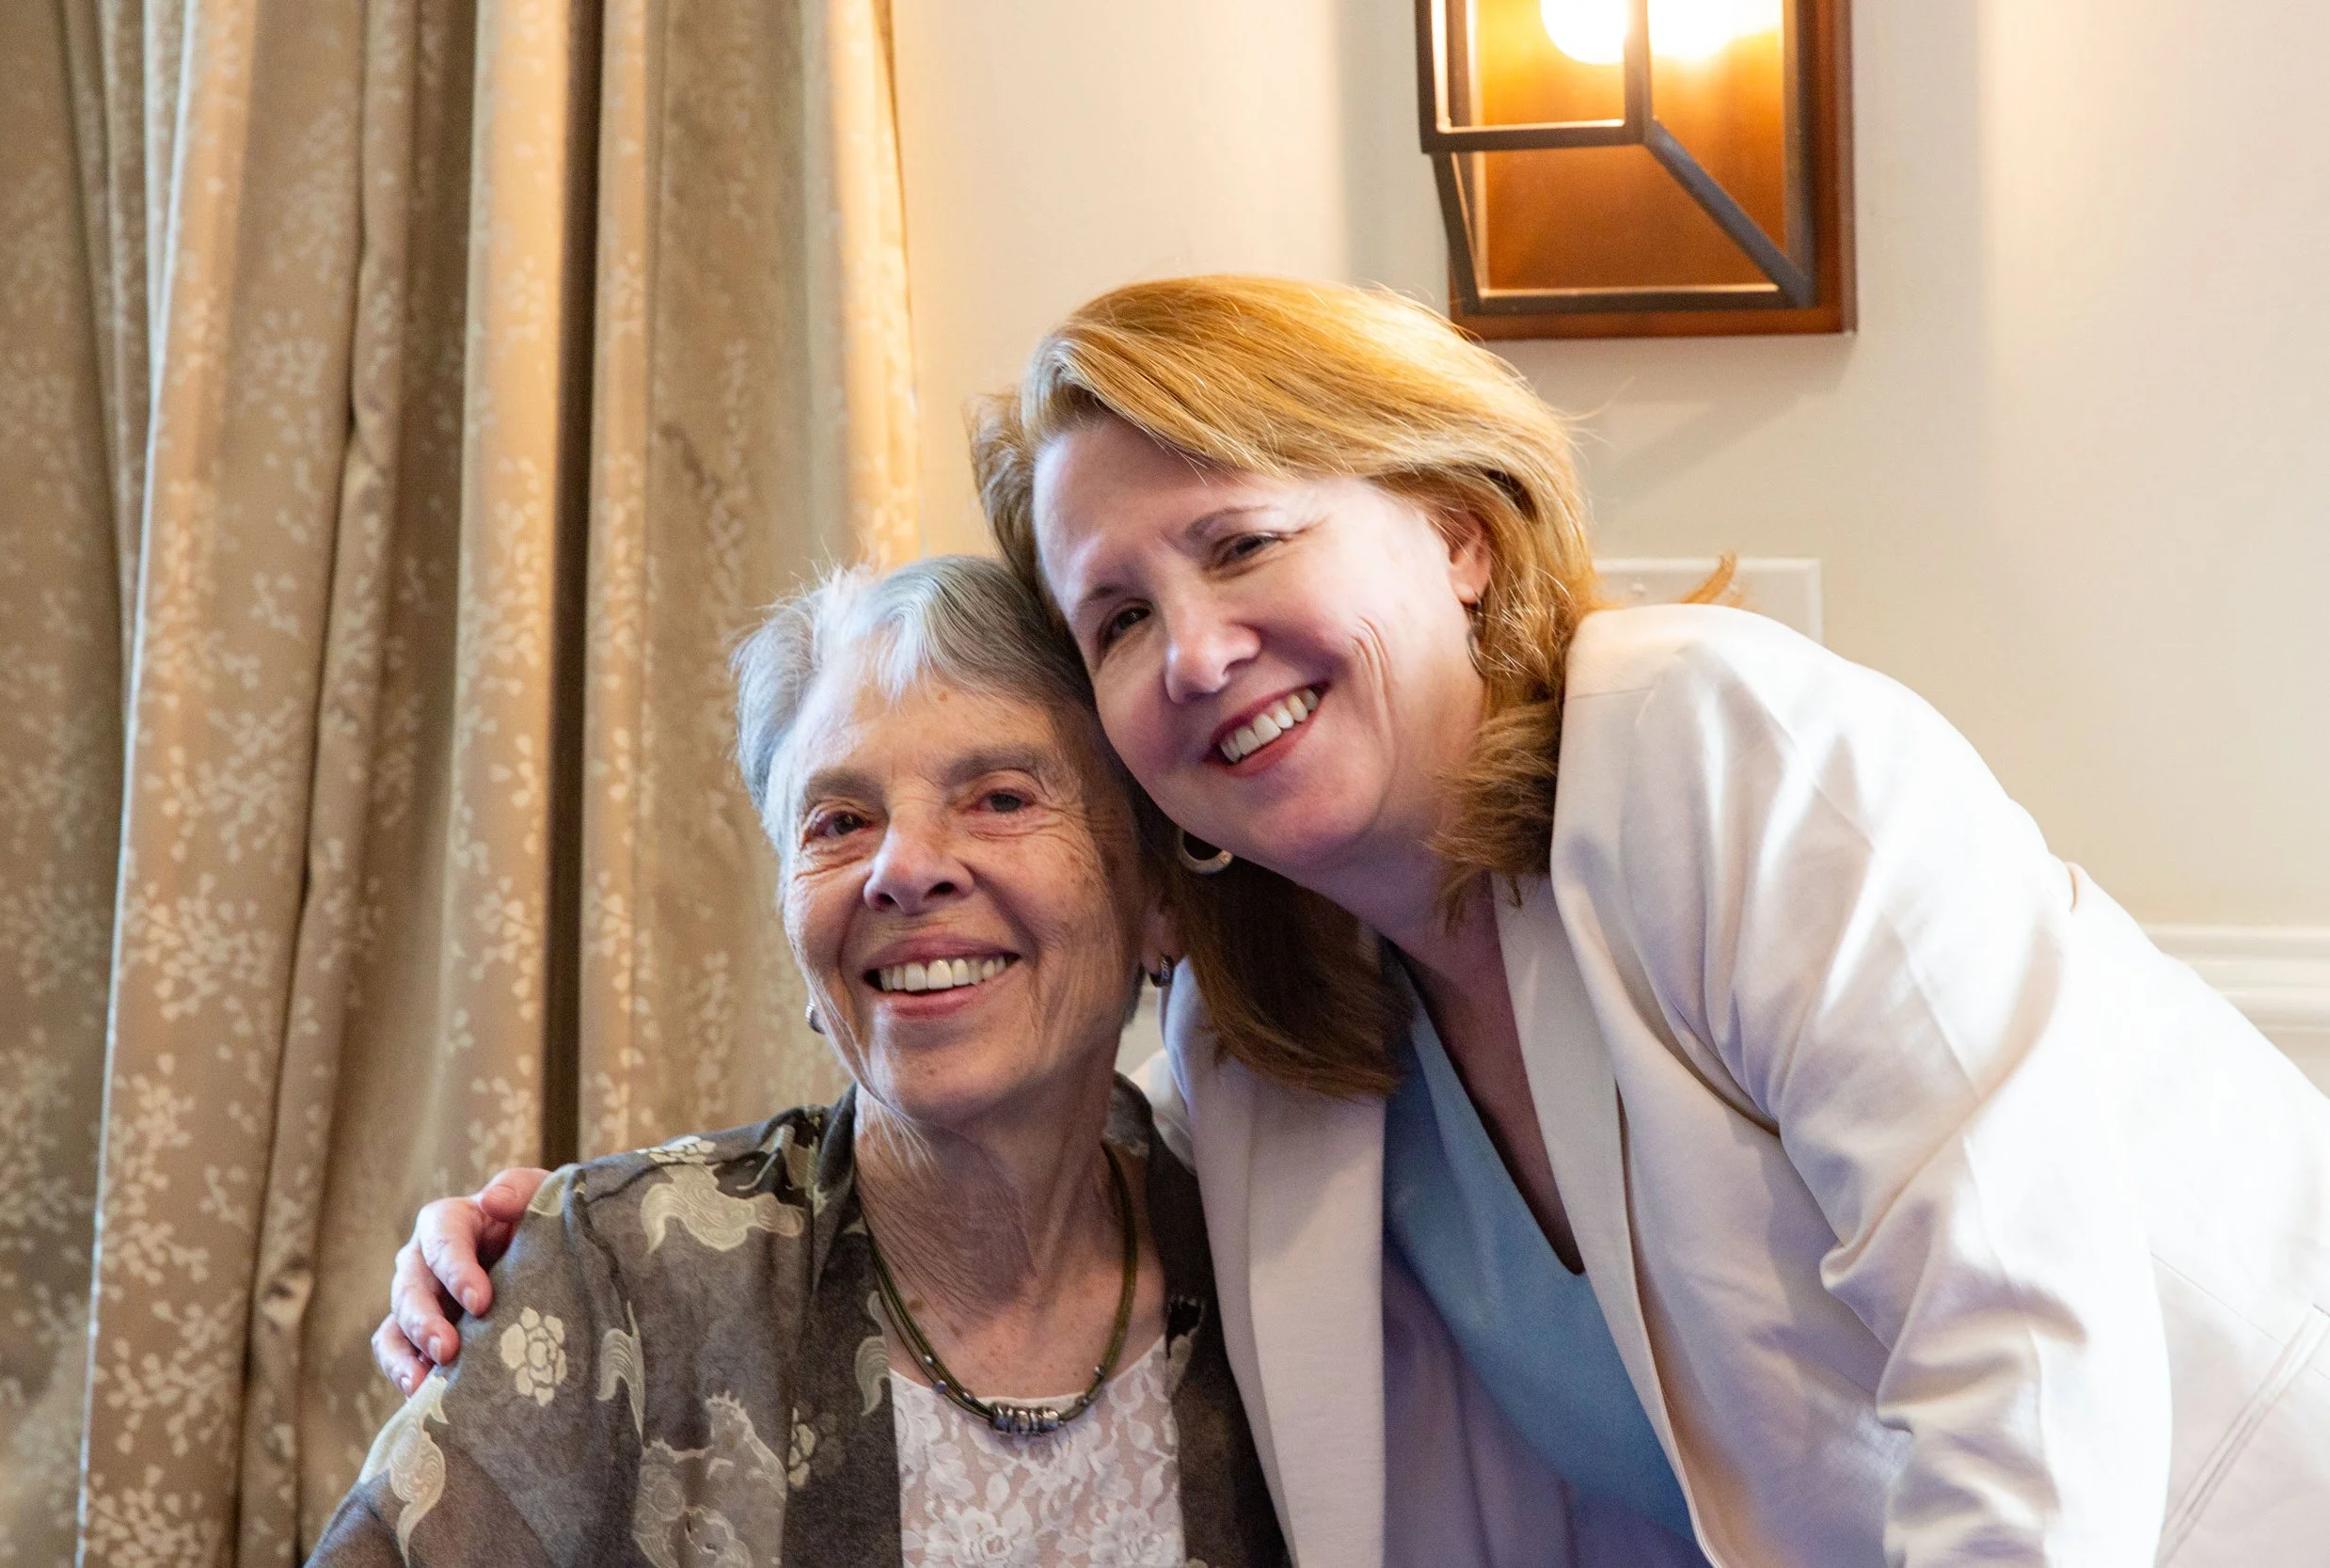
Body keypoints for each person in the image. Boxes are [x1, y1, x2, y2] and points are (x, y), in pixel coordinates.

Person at [386, 277, 2330, 1568]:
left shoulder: (1707, 740)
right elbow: (995, 1097)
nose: (1193, 648)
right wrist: (568, 1248)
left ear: (1456, 529)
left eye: (1241, 541)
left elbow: (2022, 1353)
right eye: (1119, 615)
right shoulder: (1282, 1022)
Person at [319, 556, 1286, 1567]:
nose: (903, 868)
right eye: (840, 822)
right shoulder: (618, 1285)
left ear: (1161, 897)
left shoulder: (1273, 1260)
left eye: (1001, 798)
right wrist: (570, 1242)